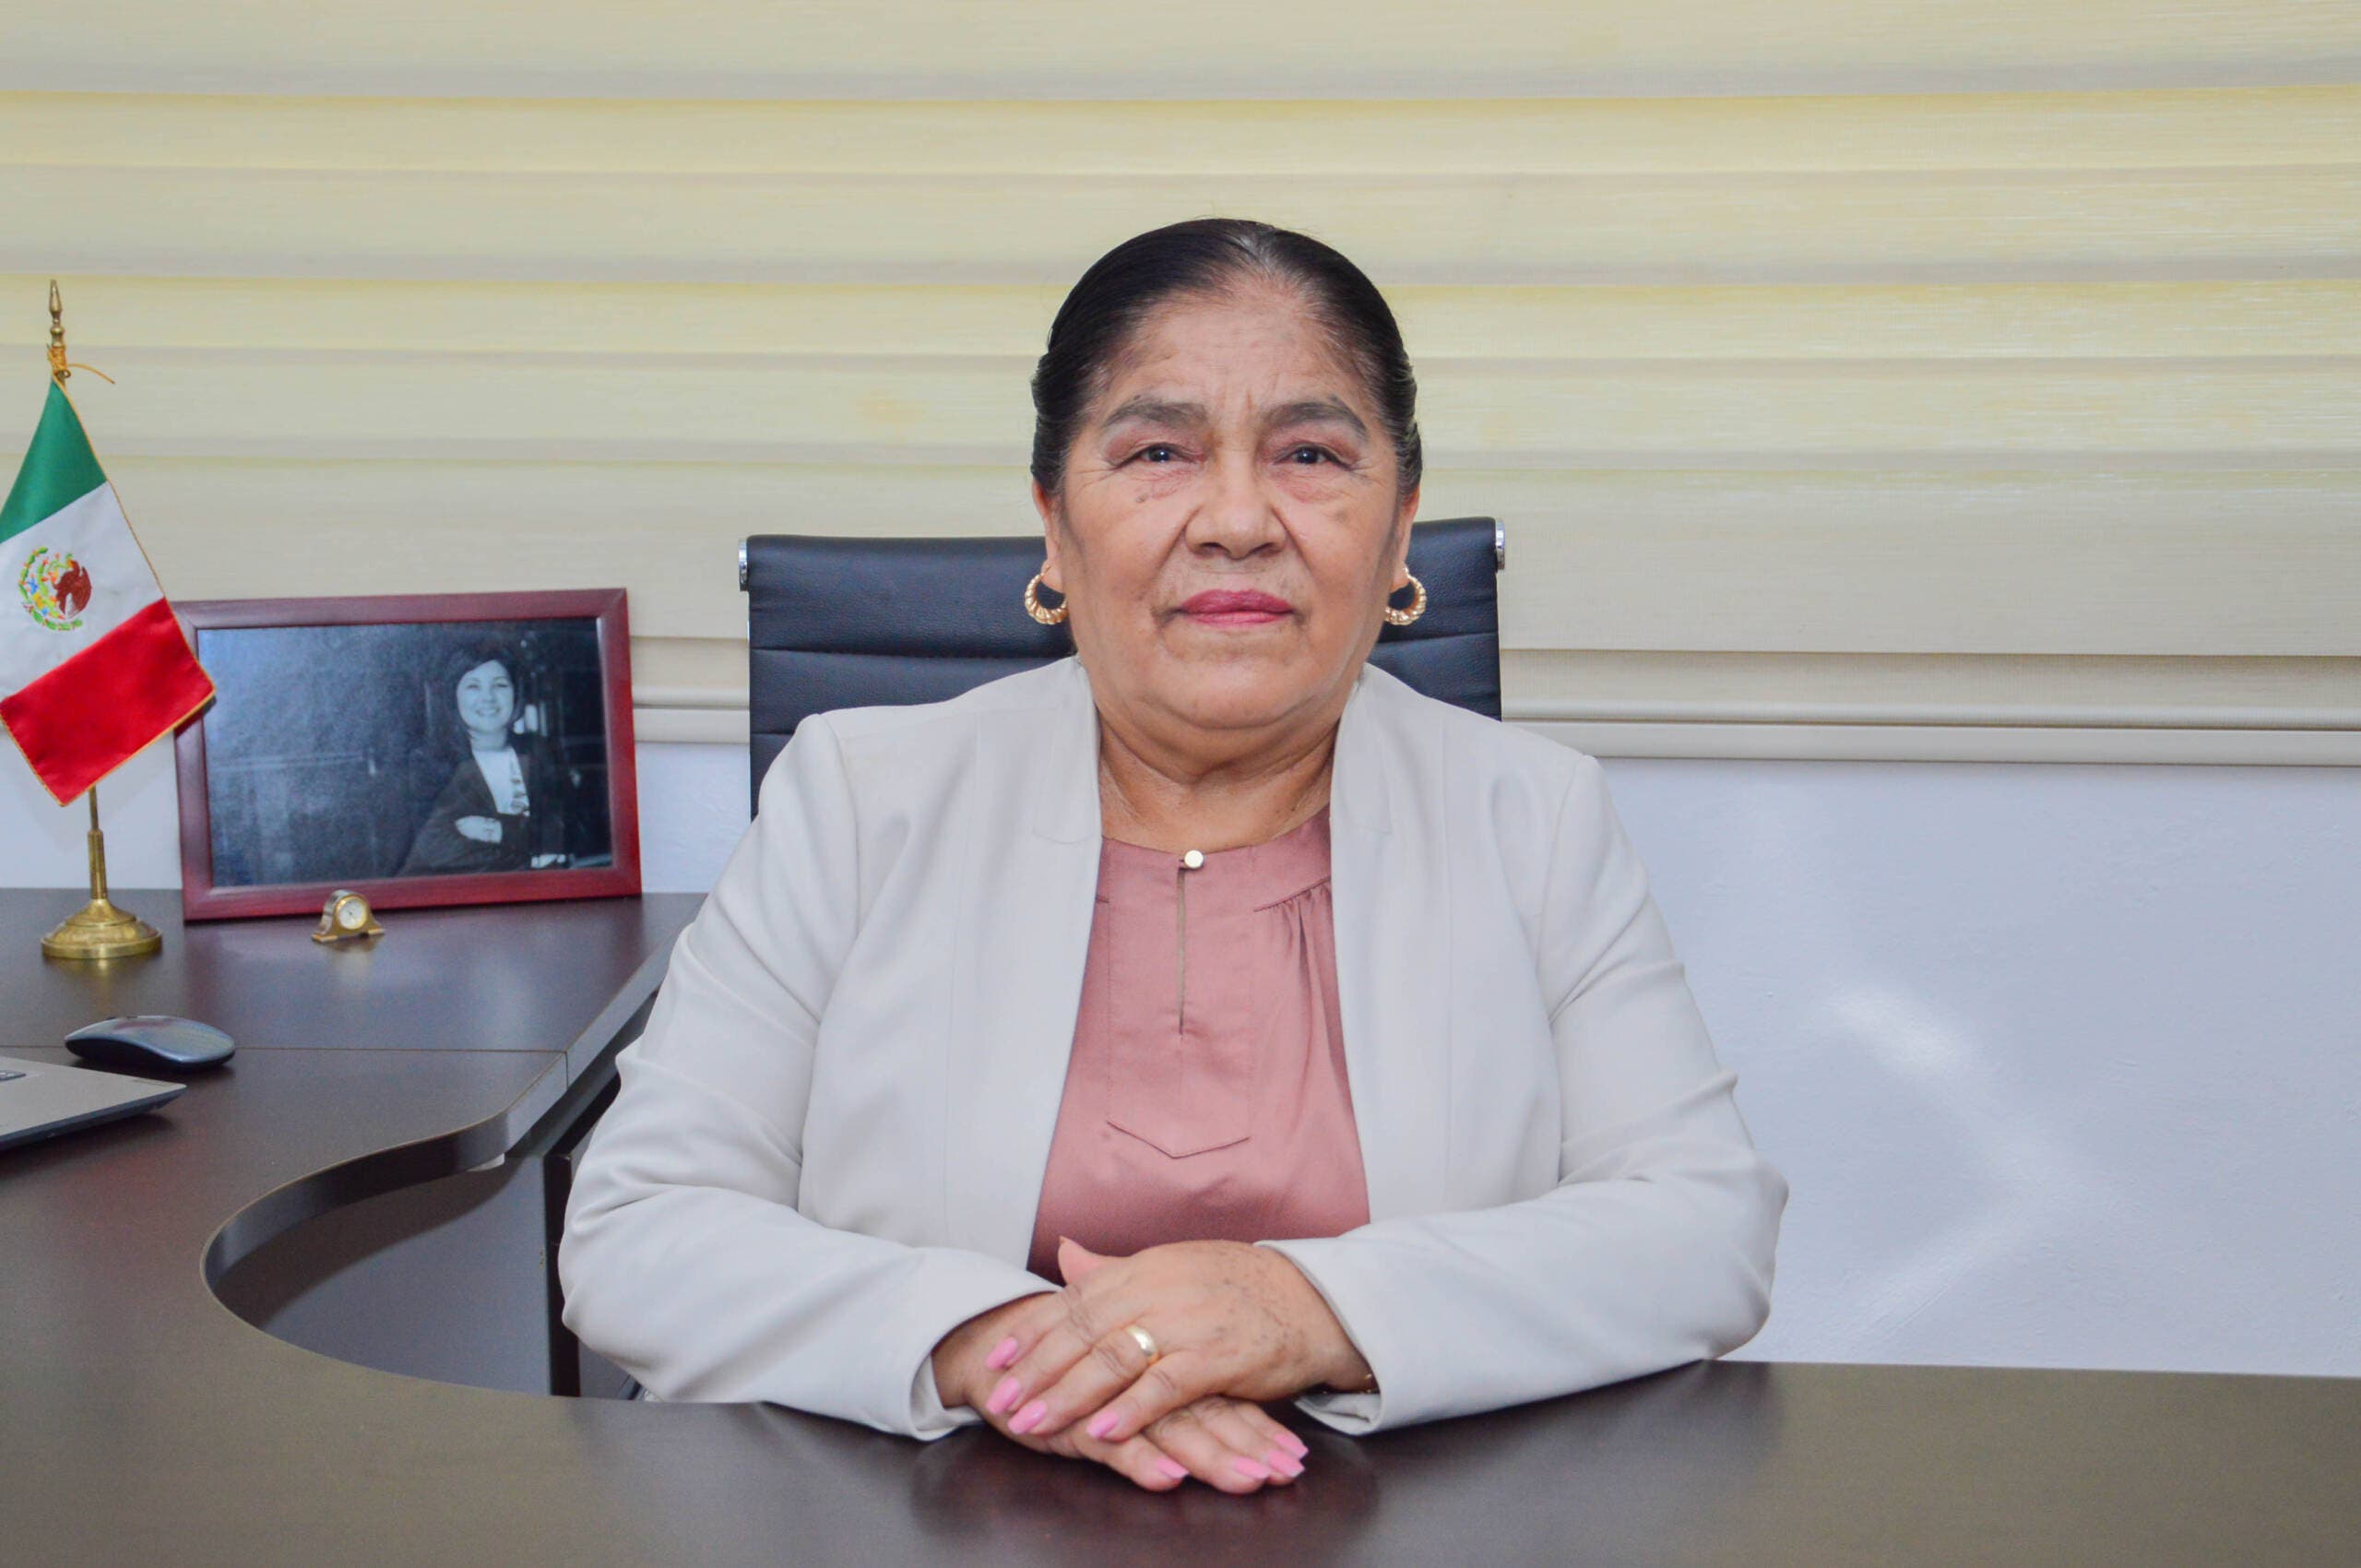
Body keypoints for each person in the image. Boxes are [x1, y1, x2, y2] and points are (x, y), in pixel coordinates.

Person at [558, 218, 1787, 1495]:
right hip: (938, 1517)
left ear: (1400, 530)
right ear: (1053, 523)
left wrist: (1305, 1307)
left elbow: (1704, 1228)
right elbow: (639, 1229)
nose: (1239, 519)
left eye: (1310, 454)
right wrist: (1002, 1347)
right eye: (1158, 452)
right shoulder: (858, 802)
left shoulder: (1535, 817)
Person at [397, 642, 576, 875]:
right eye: (473, 686)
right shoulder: (431, 762)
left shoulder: (540, 750)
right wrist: (532, 858)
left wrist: (498, 831)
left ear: (517, 692)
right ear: (453, 695)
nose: (488, 697)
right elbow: (438, 849)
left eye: (500, 685)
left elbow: (569, 831)